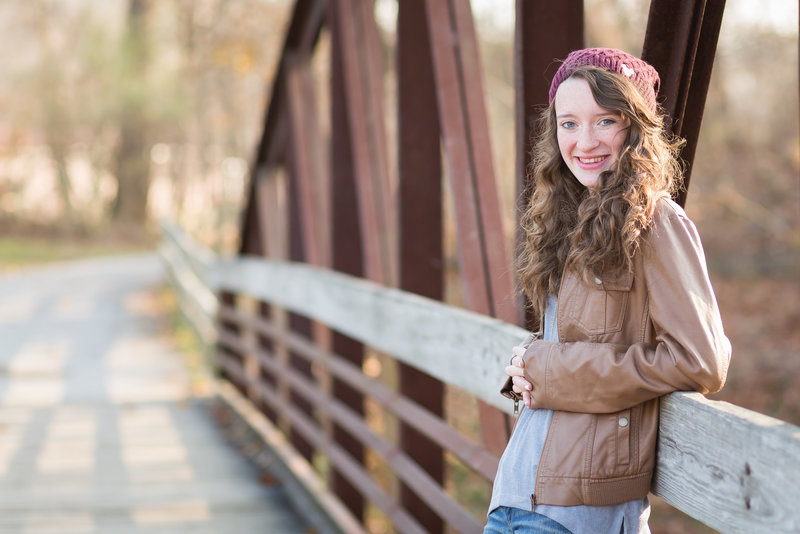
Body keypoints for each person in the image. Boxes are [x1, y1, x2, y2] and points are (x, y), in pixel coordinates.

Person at [485, 48, 731, 534]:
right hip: (515, 493)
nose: (584, 141)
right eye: (569, 124)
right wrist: (529, 361)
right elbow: (584, 342)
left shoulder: (657, 223)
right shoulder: (569, 220)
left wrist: (553, 368)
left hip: (578, 510)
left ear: (636, 127)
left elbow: (699, 360)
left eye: (605, 121)